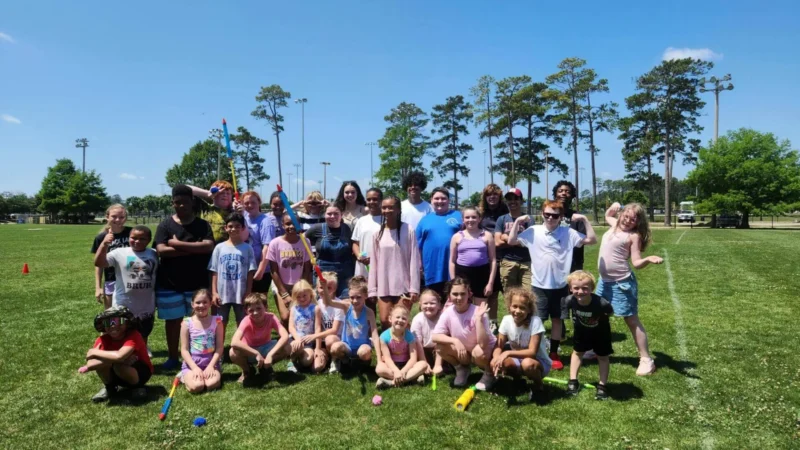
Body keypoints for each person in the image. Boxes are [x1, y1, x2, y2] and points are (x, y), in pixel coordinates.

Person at [507, 199, 596, 371]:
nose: (550, 218)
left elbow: (592, 240)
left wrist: (584, 220)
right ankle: (537, 351)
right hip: (538, 285)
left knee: (557, 320)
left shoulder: (568, 233)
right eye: (546, 214)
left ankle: (554, 353)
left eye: (554, 215)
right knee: (537, 320)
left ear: (561, 217)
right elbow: (511, 241)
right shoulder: (533, 231)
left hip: (561, 285)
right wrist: (518, 222)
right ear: (542, 214)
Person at [154, 184, 215, 370]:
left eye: (185, 202)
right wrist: (192, 248)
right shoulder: (165, 225)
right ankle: (173, 357)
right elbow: (161, 251)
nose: (181, 206)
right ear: (172, 203)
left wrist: (176, 243)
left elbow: (208, 246)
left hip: (196, 284)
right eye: (177, 202)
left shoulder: (202, 225)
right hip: (169, 283)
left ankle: (199, 356)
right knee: (173, 322)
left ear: (192, 202)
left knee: (198, 322)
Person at [598, 202, 663, 376]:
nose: (627, 221)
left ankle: (646, 360)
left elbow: (636, 263)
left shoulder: (633, 236)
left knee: (631, 320)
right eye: (625, 216)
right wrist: (613, 207)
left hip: (621, 283)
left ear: (637, 223)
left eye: (632, 219)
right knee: (598, 315)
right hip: (603, 282)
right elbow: (608, 215)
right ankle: (595, 348)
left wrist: (648, 259)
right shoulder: (614, 225)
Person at [94, 225, 157, 343]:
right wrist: (104, 244)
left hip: (146, 305)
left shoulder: (154, 254)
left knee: (144, 332)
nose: (137, 241)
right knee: (121, 333)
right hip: (123, 305)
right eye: (133, 238)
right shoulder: (119, 253)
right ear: (129, 237)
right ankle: (121, 357)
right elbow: (99, 262)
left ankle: (141, 355)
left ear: (149, 240)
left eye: (142, 239)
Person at [432, 277, 497, 388]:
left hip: (484, 352)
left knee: (479, 351)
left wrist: (478, 319)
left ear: (469, 294)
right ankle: (462, 369)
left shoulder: (478, 312)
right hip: (466, 352)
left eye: (463, 294)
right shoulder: (448, 312)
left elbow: (483, 344)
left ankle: (489, 373)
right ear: (449, 296)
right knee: (440, 347)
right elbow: (435, 336)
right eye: (455, 294)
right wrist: (454, 340)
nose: (459, 298)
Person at [368, 195, 421, 331]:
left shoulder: (408, 230)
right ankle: (389, 350)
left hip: (403, 286)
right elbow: (373, 264)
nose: (387, 210)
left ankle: (406, 349)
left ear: (398, 209)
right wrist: (372, 289)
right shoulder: (377, 234)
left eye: (391, 207)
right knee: (386, 320)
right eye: (384, 207)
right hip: (384, 285)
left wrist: (414, 288)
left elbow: (414, 259)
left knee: (401, 321)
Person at [80, 306, 153, 403]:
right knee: (116, 365)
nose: (113, 325)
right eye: (108, 322)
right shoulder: (102, 340)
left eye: (119, 321)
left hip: (140, 373)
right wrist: (118, 360)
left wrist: (94, 352)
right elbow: (91, 364)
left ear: (127, 323)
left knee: (119, 366)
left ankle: (137, 387)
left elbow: (119, 356)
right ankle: (109, 388)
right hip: (117, 371)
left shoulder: (133, 336)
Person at [488, 287, 551, 397]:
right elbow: (499, 345)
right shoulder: (506, 320)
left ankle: (539, 386)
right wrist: (496, 358)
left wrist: (508, 353)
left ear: (529, 310)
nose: (517, 311)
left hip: (538, 361)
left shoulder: (535, 322)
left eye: (522, 308)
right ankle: (518, 381)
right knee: (499, 362)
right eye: (514, 306)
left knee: (527, 364)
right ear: (509, 306)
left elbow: (532, 352)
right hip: (518, 359)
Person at [563, 271, 613, 399]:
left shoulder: (601, 303)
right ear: (570, 288)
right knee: (577, 352)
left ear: (592, 288)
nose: (580, 291)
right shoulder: (569, 300)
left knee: (602, 356)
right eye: (576, 288)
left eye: (585, 288)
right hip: (581, 332)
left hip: (601, 333)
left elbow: (609, 313)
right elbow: (565, 312)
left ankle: (602, 386)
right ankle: (573, 381)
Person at [208, 213, 257, 331]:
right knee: (220, 322)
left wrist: (248, 292)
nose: (233, 229)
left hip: (240, 293)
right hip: (222, 293)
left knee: (242, 321)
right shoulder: (219, 248)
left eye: (237, 226)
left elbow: (251, 272)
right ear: (225, 228)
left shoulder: (247, 248)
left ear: (243, 228)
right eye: (230, 226)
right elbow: (214, 271)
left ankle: (241, 347)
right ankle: (219, 347)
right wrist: (214, 292)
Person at [229, 293, 291, 383]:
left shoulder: (271, 317)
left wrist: (270, 355)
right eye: (251, 310)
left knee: (287, 347)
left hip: (266, 348)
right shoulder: (246, 320)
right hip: (250, 350)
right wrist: (256, 353)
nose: (255, 313)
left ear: (266, 307)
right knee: (233, 352)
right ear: (246, 311)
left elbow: (285, 335)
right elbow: (234, 342)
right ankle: (247, 370)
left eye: (259, 308)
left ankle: (266, 367)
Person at [323, 276, 381, 373]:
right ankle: (344, 360)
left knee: (364, 353)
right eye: (352, 297)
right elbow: (328, 302)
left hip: (362, 345)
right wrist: (325, 287)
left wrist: (379, 360)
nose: (354, 301)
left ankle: (361, 362)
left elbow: (375, 335)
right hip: (347, 345)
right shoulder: (346, 306)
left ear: (365, 296)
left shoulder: (369, 312)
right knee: (334, 348)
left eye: (358, 297)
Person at [416, 188, 462, 299]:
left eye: (443, 198)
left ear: (448, 200)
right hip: (433, 268)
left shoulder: (458, 216)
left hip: (455, 266)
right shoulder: (425, 220)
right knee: (434, 301)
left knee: (455, 299)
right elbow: (417, 246)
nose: (440, 201)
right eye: (436, 198)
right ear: (431, 200)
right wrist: (419, 264)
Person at [266, 214, 312, 326]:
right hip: (281, 284)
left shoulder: (305, 241)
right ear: (282, 225)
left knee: (299, 314)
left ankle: (297, 338)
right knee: (286, 316)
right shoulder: (275, 243)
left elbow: (307, 268)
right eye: (287, 224)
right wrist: (284, 294)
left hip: (298, 284)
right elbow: (273, 271)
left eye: (294, 224)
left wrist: (302, 287)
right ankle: (286, 339)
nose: (291, 226)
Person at [449, 206, 496, 313]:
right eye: (467, 217)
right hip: (462, 274)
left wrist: (490, 283)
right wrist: (453, 282)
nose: (470, 220)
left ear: (479, 219)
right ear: (463, 219)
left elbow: (493, 260)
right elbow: (452, 261)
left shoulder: (487, 236)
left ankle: (481, 328)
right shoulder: (456, 237)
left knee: (481, 310)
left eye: (474, 217)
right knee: (463, 307)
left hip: (481, 274)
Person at [305, 205, 355, 297]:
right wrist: (310, 257)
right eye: (329, 214)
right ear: (324, 215)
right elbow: (302, 241)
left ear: (341, 215)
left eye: (336, 214)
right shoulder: (316, 228)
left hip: (345, 274)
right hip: (323, 274)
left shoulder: (347, 229)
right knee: (323, 303)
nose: (332, 216)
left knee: (345, 302)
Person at [179, 289, 223, 393]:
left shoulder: (217, 321)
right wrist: (194, 368)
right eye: (198, 302)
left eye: (205, 302)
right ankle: (185, 376)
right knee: (197, 386)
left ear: (210, 303)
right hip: (192, 363)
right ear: (192, 304)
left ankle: (209, 376)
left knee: (210, 384)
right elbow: (184, 350)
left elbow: (219, 347)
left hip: (211, 361)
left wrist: (211, 366)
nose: (201, 305)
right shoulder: (187, 323)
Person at [375, 306, 428, 389]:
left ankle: (391, 383)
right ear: (390, 318)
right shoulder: (384, 336)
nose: (400, 320)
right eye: (397, 317)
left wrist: (403, 371)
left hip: (407, 365)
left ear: (407, 322)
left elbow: (413, 359)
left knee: (423, 365)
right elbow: (387, 358)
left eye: (404, 318)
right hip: (391, 366)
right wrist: (396, 371)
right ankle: (411, 378)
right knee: (379, 369)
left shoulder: (410, 336)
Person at [493, 188, 533, 298]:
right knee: (510, 296)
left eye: (516, 198)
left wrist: (506, 237)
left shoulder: (528, 219)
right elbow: (497, 242)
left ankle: (528, 316)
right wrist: (518, 240)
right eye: (509, 199)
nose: (512, 201)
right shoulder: (502, 219)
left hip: (526, 263)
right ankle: (511, 316)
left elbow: (530, 242)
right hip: (508, 262)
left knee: (528, 296)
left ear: (521, 201)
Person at [478, 184, 508, 328]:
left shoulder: (505, 212)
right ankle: (493, 322)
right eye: (489, 195)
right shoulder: (481, 214)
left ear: (499, 197)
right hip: (487, 259)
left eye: (495, 195)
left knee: (508, 292)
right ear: (485, 197)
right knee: (492, 293)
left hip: (506, 257)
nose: (492, 197)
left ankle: (512, 323)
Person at [91, 204, 131, 309]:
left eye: (122, 217)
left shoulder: (132, 234)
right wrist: (98, 287)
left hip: (131, 279)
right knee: (111, 315)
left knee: (132, 314)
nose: (118, 219)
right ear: (107, 217)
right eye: (114, 216)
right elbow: (98, 264)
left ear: (125, 218)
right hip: (111, 280)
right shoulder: (101, 237)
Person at [242, 191, 277, 295]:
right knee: (246, 301)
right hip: (246, 268)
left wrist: (261, 270)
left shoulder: (266, 221)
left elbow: (267, 247)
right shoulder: (243, 217)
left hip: (260, 268)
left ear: (259, 202)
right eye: (246, 203)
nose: (250, 205)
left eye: (253, 202)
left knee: (259, 301)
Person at [314, 272, 345, 373]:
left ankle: (335, 359)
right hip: (321, 341)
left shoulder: (338, 305)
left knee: (330, 339)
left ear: (335, 288)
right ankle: (325, 356)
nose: (324, 291)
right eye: (322, 287)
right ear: (317, 288)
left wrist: (313, 336)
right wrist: (318, 348)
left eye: (329, 288)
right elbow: (317, 327)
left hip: (336, 339)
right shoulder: (317, 305)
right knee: (317, 367)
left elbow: (334, 330)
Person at [553, 180, 587, 272]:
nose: (563, 193)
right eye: (560, 191)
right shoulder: (550, 215)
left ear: (572, 196)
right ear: (555, 194)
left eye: (567, 191)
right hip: (554, 262)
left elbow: (582, 241)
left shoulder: (577, 217)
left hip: (574, 263)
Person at [351, 187, 383, 282]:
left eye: (375, 199)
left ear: (381, 200)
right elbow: (355, 243)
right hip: (363, 267)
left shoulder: (387, 220)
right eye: (369, 199)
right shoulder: (361, 221)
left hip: (381, 265)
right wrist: (359, 256)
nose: (371, 202)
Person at [410, 289, 444, 375]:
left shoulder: (443, 317)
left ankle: (439, 365)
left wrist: (437, 364)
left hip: (440, 349)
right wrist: (424, 362)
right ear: (420, 305)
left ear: (439, 305)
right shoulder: (417, 319)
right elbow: (418, 343)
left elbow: (443, 340)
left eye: (432, 303)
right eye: (425, 303)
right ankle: (422, 368)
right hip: (423, 350)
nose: (428, 306)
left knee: (443, 341)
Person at [287, 280, 318, 373]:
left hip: (308, 343)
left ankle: (299, 359)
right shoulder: (294, 309)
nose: (302, 299)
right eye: (298, 297)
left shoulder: (315, 308)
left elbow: (317, 328)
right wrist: (297, 339)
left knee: (307, 361)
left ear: (310, 294)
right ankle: (292, 361)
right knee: (297, 346)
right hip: (295, 339)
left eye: (304, 295)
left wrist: (317, 346)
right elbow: (291, 327)